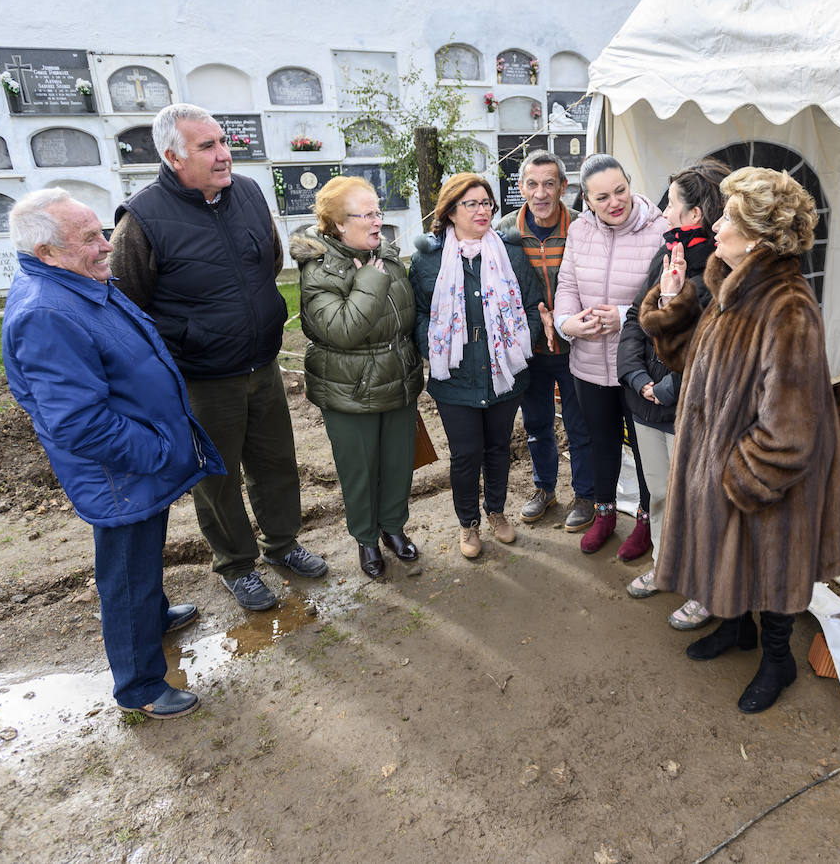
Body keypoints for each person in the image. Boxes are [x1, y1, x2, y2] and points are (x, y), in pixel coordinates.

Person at [2, 189, 227, 719]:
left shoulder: (77, 282)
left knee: (143, 560)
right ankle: (142, 686)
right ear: (46, 252)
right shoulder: (47, 312)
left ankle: (154, 617)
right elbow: (77, 420)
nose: (106, 246)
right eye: (89, 239)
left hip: (137, 462)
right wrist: (158, 449)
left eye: (101, 231)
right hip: (120, 474)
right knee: (125, 575)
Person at [639, 167, 840, 714]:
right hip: (727, 458)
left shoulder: (787, 307)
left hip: (770, 478)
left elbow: (790, 431)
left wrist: (737, 479)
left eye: (728, 217)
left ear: (755, 238)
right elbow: (694, 364)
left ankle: (777, 659)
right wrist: (675, 299)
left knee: (773, 564)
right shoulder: (734, 288)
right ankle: (736, 630)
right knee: (735, 557)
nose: (716, 224)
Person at [109, 103, 326, 613]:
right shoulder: (142, 218)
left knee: (276, 464)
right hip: (202, 379)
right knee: (217, 479)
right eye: (208, 147)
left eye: (224, 142)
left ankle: (283, 544)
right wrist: (188, 340)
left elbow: (269, 261)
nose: (225, 155)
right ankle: (236, 566)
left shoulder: (247, 194)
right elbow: (127, 303)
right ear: (173, 156)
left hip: (262, 364)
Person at [293, 176, 423, 581]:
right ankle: (366, 538)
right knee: (360, 470)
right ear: (336, 225)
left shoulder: (385, 253)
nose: (376, 222)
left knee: (399, 463)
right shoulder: (319, 269)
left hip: (397, 381)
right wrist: (370, 278)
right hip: (349, 390)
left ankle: (394, 528)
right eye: (365, 215)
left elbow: (406, 314)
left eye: (377, 212)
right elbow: (343, 329)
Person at [619, 160, 730, 629]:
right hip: (647, 405)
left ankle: (704, 590)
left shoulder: (720, 272)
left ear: (695, 216)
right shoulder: (666, 254)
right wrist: (633, 374)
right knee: (660, 495)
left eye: (670, 204)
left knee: (699, 503)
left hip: (688, 412)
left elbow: (711, 348)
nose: (662, 213)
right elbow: (635, 318)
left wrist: (667, 389)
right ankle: (666, 567)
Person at [409, 173, 543, 559]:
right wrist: (431, 346)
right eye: (472, 204)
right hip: (456, 378)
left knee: (499, 448)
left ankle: (497, 513)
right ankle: (468, 523)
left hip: (505, 372)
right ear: (450, 212)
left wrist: (520, 345)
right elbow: (418, 313)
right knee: (466, 454)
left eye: (487, 203)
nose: (483, 210)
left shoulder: (510, 254)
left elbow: (532, 306)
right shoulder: (427, 260)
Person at [549, 154, 665, 557]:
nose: (615, 202)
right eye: (602, 197)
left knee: (645, 448)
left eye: (620, 190)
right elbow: (566, 283)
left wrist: (621, 317)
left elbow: (665, 298)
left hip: (638, 366)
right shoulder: (580, 231)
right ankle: (605, 514)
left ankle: (648, 522)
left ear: (630, 185)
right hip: (588, 363)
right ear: (588, 200)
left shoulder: (660, 230)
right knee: (601, 442)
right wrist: (566, 323)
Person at [496, 150, 595, 533]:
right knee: (536, 424)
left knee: (579, 423)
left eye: (549, 184)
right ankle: (544, 488)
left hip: (575, 346)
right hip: (529, 348)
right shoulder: (504, 232)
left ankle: (584, 494)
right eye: (532, 184)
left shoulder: (583, 226)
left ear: (563, 187)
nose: (541, 193)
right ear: (521, 187)